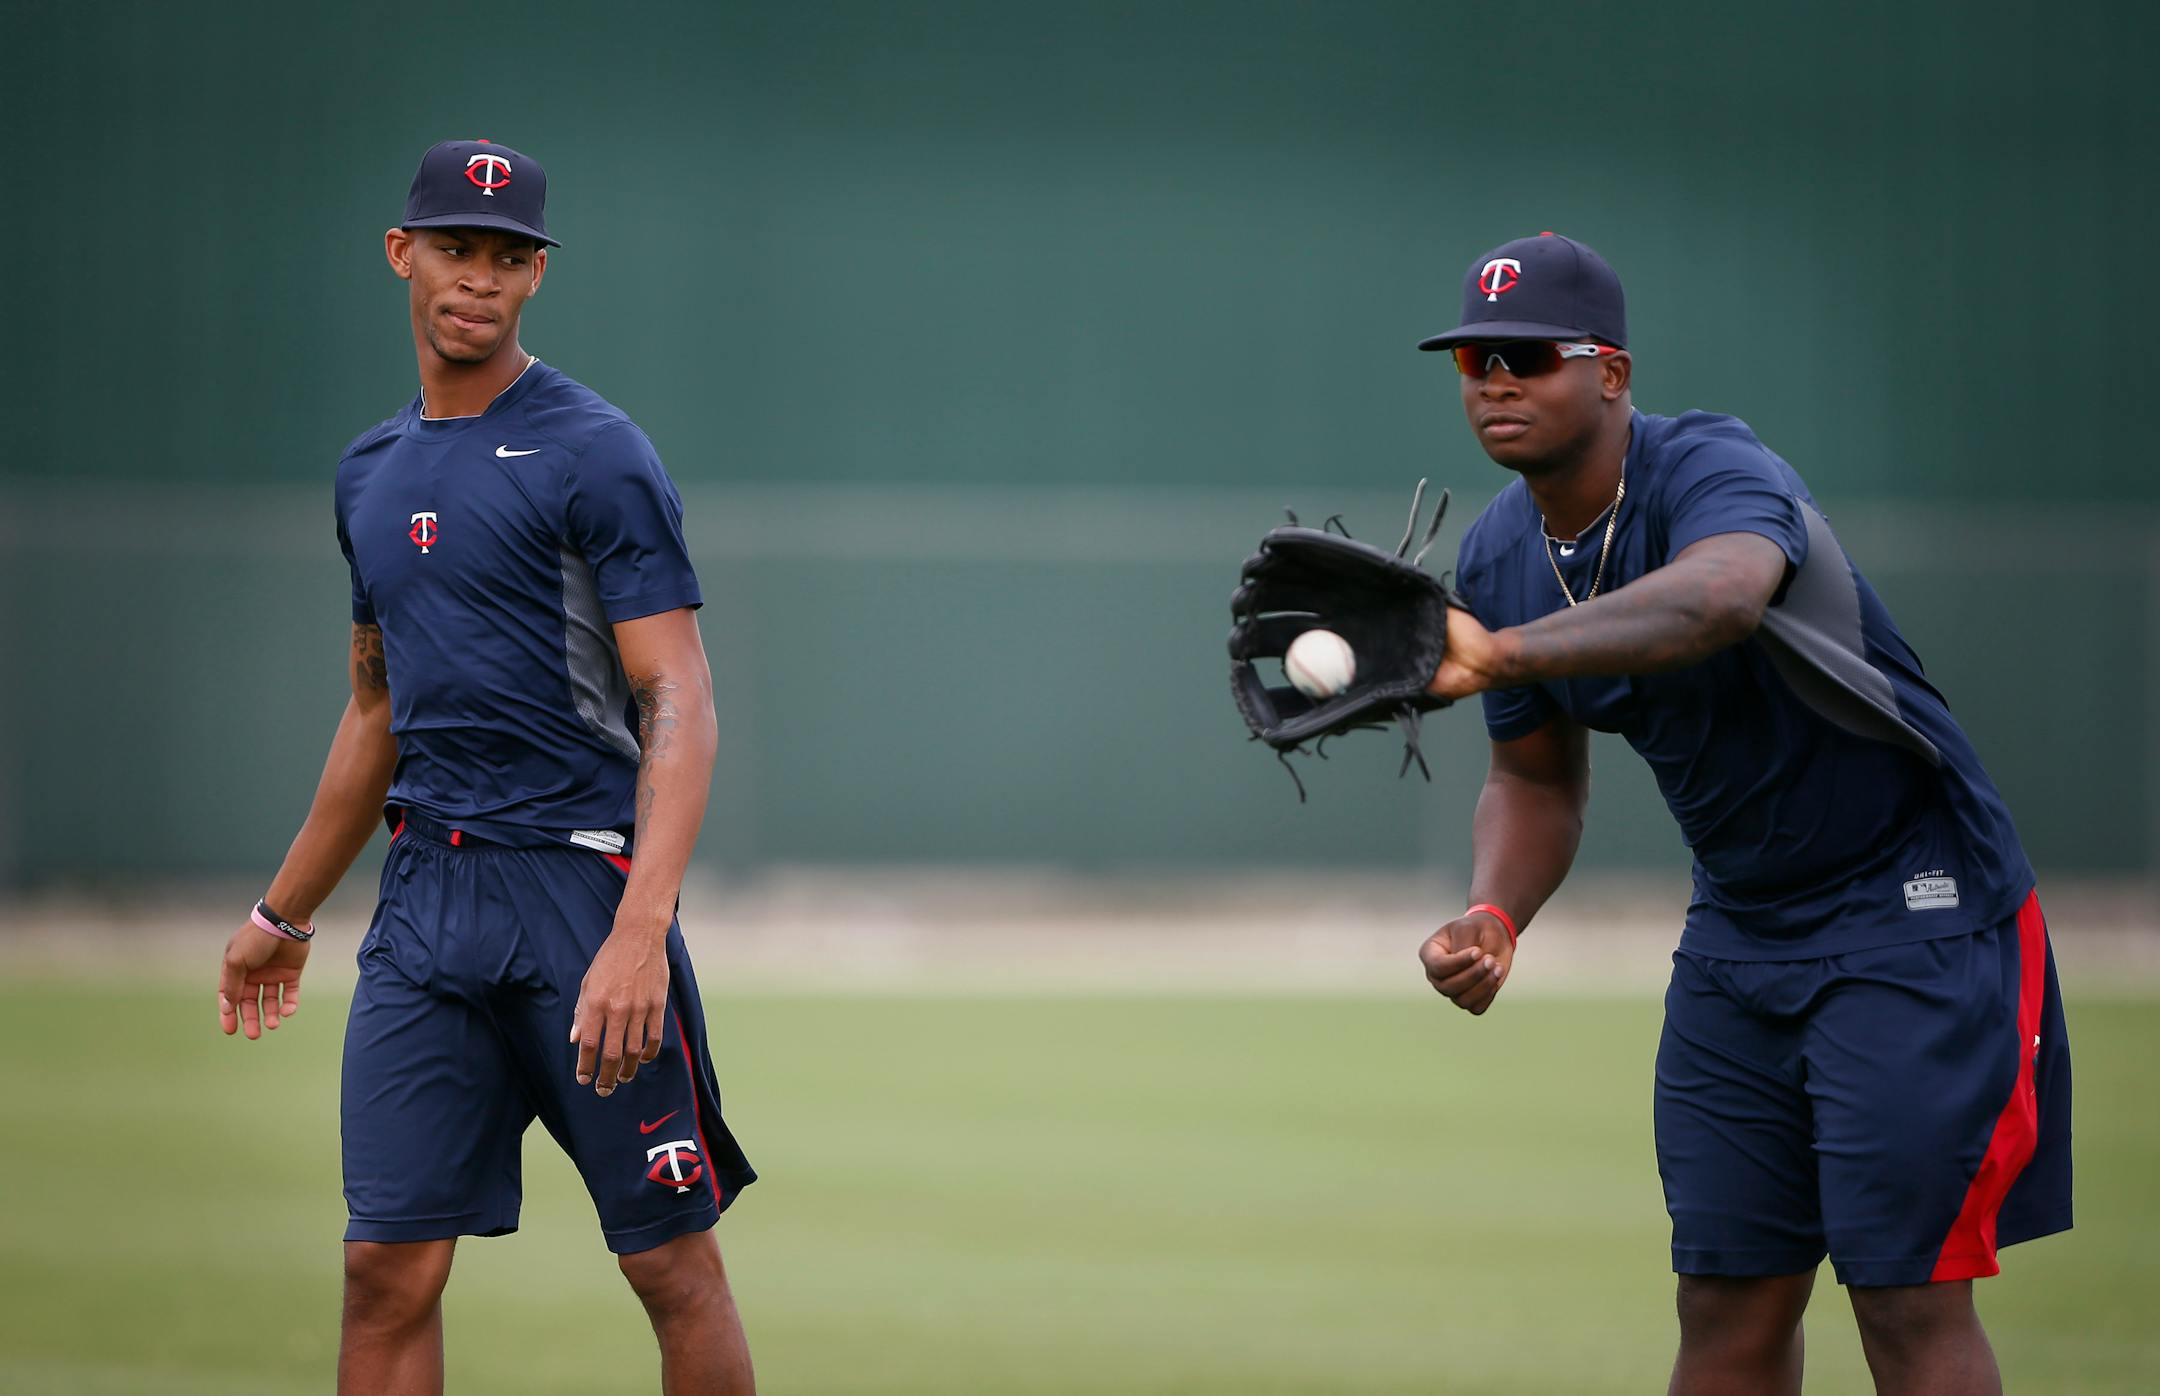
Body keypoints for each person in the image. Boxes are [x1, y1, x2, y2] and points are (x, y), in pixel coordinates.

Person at [1413, 233, 2071, 1395]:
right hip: (1742, 932)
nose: (1495, 380)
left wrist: (1503, 652)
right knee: (1725, 1299)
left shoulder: (1712, 465)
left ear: (1610, 373)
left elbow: (1715, 600)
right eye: (1474, 361)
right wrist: (1495, 911)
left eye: (1526, 355)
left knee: (1906, 1296)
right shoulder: (1500, 556)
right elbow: (1534, 779)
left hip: (1916, 907)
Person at [215, 138, 757, 1396]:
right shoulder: (368, 469)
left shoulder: (594, 450)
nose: (480, 278)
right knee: (383, 1272)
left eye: (510, 258)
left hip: (578, 900)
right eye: (457, 247)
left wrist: (640, 929)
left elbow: (679, 692)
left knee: (670, 1266)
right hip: (422, 910)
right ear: (402, 254)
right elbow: (375, 709)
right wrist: (281, 911)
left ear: (537, 278)